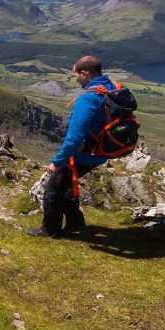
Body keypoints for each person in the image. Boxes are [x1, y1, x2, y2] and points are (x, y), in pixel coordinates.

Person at [28, 55, 119, 238]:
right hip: (101, 150)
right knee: (67, 184)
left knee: (53, 187)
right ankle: (75, 223)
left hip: (85, 153)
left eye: (75, 75)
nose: (74, 78)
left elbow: (75, 137)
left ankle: (50, 230)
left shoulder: (88, 98)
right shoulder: (111, 87)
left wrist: (57, 161)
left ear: (85, 74)